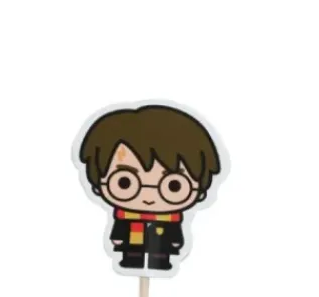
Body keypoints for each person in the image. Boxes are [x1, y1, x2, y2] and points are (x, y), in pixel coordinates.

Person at [77, 104, 222, 271]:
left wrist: (176, 241)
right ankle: (131, 259)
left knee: (161, 251)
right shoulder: (124, 215)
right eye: (125, 182)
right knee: (132, 251)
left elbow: (174, 231)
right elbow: (121, 227)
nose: (148, 197)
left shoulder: (171, 218)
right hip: (132, 239)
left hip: (162, 238)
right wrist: (118, 237)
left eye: (173, 186)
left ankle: (161, 261)